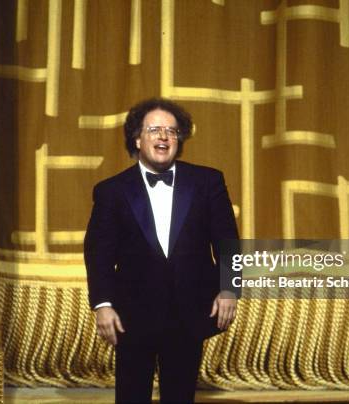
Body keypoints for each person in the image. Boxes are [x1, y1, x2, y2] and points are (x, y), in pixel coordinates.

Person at [84, 98, 239, 403]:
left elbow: (227, 241)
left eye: (172, 130)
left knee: (180, 397)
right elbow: (99, 253)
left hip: (189, 311)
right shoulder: (111, 191)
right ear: (137, 138)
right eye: (154, 129)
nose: (164, 136)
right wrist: (102, 304)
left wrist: (229, 289)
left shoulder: (208, 181)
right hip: (132, 315)